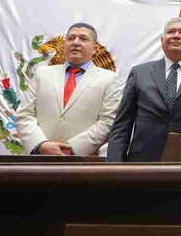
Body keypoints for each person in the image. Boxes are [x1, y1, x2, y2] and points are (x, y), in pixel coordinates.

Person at [107, 17, 181, 162]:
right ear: (162, 40)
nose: (176, 35)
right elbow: (122, 123)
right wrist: (114, 165)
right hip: (142, 163)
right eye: (171, 32)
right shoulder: (139, 73)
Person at [16, 23, 123, 156]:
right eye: (71, 38)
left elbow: (109, 121)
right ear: (64, 45)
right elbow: (24, 114)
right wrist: (40, 145)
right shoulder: (42, 74)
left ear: (95, 49)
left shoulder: (109, 79)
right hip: (39, 159)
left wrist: (72, 149)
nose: (76, 43)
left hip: (83, 163)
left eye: (83, 39)